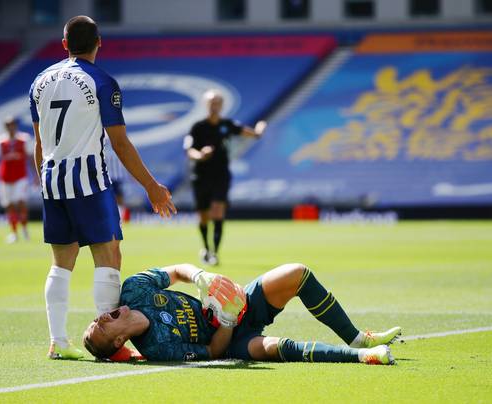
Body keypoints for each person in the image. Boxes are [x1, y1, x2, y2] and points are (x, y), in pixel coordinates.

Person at [29, 15, 176, 360]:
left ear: (64, 44)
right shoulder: (102, 82)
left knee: (61, 263)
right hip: (88, 182)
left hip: (51, 181)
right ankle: (111, 345)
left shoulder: (39, 80)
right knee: (108, 257)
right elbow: (120, 144)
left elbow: (39, 142)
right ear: (100, 42)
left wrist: (44, 182)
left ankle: (58, 342)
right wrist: (152, 186)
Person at [83, 263, 402, 365]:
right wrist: (227, 321)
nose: (100, 318)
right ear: (120, 339)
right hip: (232, 337)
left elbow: (177, 270)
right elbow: (213, 351)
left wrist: (199, 277)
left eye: (96, 319)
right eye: (100, 328)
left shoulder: (134, 290)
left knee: (298, 273)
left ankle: (359, 338)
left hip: (238, 304)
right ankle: (364, 357)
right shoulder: (158, 348)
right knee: (279, 347)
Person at [185, 90, 266, 265]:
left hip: (221, 175)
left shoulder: (227, 125)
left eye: (217, 103)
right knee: (204, 216)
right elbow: (189, 150)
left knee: (218, 212)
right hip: (200, 176)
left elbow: (250, 133)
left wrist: (259, 130)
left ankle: (215, 253)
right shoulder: (197, 127)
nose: (214, 106)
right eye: (211, 103)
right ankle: (206, 247)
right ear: (206, 105)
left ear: (221, 105)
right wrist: (200, 155)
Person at [0, 116, 37, 243]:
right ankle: (14, 233)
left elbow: (31, 158)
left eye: (12, 124)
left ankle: (25, 230)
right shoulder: (0, 141)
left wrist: (36, 175)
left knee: (21, 202)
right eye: (8, 125)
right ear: (5, 127)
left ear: (16, 125)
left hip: (20, 177)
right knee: (9, 206)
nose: (11, 127)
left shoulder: (24, 139)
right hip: (5, 177)